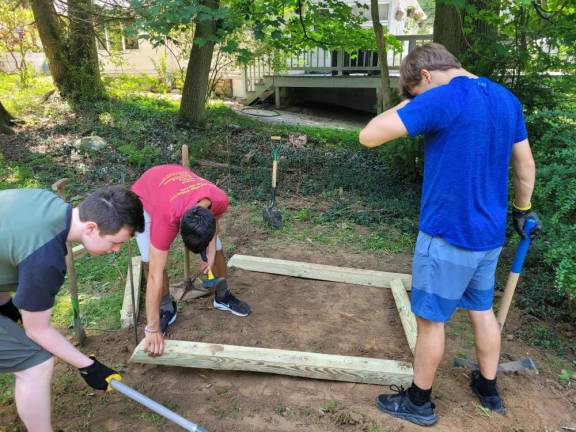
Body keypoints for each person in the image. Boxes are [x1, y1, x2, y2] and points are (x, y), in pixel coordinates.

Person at [359, 43, 541, 426]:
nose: (416, 100)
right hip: (488, 237)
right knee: (482, 310)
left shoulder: (442, 97)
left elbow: (369, 135)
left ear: (425, 76)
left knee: (430, 320)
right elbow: (525, 166)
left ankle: (419, 401)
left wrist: (412, 103)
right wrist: (522, 212)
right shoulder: (506, 99)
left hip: (446, 236)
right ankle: (489, 390)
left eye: (414, 91)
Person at [0, 186, 145, 432]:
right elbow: (37, 330)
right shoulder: (45, 258)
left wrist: (6, 306)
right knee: (36, 362)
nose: (117, 250)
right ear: (91, 228)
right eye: (115, 242)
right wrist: (89, 367)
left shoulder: (44, 200)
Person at [131, 164, 251, 357]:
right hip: (147, 196)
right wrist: (152, 328)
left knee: (218, 249)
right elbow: (154, 275)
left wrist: (211, 253)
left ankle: (222, 296)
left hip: (175, 183)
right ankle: (165, 307)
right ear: (178, 229)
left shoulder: (219, 199)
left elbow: (214, 224)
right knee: (150, 260)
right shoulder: (166, 219)